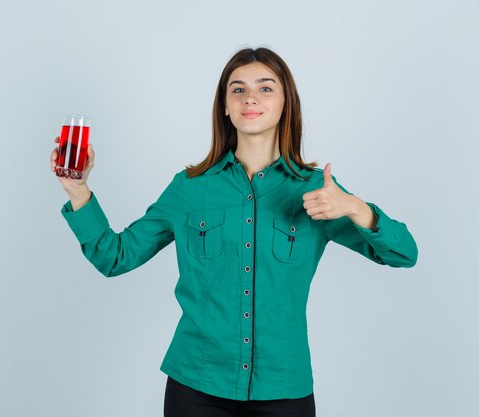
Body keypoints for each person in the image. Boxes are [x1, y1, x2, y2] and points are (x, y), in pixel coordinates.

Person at [50, 47, 418, 417]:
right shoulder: (189, 189)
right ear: (225, 106)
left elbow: (404, 254)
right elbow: (115, 257)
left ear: (286, 103)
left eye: (266, 88)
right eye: (237, 89)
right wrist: (78, 190)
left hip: (284, 390)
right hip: (196, 387)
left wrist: (356, 207)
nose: (251, 97)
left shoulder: (318, 191)